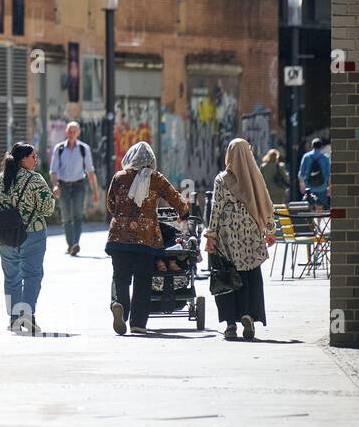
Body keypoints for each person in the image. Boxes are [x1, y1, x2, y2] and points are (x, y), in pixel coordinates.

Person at [105, 141, 190, 335]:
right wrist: (183, 213)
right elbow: (176, 198)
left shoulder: (119, 177)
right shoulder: (156, 179)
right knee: (143, 282)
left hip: (119, 238)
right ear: (151, 160)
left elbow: (110, 204)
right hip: (146, 240)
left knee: (121, 278)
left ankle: (120, 306)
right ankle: (138, 323)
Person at [206, 139, 275, 341]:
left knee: (228, 275)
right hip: (251, 231)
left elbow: (216, 209)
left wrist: (211, 235)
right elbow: (266, 203)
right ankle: (248, 315)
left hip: (228, 234)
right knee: (251, 274)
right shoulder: (255, 177)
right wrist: (270, 230)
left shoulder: (222, 179)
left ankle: (230, 324)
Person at [0, 142, 56, 335]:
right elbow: (48, 209)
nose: (36, 160)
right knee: (32, 275)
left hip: (5, 235)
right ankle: (27, 313)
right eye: (33, 156)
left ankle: (14, 318)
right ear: (22, 159)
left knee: (11, 277)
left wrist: (9, 218)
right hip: (32, 232)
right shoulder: (35, 180)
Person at [49, 121, 101, 256]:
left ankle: (75, 244)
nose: (72, 134)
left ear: (78, 132)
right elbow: (53, 171)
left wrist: (95, 193)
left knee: (77, 216)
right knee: (66, 217)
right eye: (69, 131)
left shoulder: (84, 149)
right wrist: (55, 185)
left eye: (74, 131)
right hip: (63, 186)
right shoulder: (59, 149)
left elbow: (90, 172)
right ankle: (71, 244)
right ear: (66, 132)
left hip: (79, 185)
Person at [298, 137, 331, 210]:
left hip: (309, 186)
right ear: (321, 146)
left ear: (312, 146)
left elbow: (301, 172)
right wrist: (329, 186)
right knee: (320, 206)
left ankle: (312, 221)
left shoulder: (306, 156)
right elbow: (328, 173)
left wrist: (302, 184)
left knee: (310, 206)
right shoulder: (325, 157)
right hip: (322, 186)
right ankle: (318, 221)